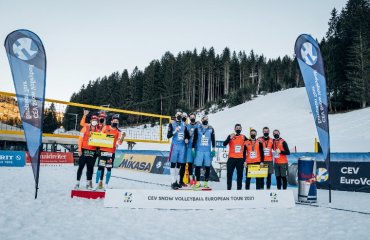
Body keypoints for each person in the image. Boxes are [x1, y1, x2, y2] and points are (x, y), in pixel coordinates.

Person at [95, 114, 125, 190]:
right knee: (100, 168)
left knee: (109, 169)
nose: (115, 122)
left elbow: (119, 143)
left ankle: (106, 185)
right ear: (111, 121)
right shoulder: (106, 127)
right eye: (114, 121)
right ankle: (96, 184)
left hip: (111, 153)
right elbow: (100, 137)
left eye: (117, 121)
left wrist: (122, 137)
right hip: (103, 151)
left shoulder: (118, 132)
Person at [75, 115, 100, 190]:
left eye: (96, 120)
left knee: (90, 168)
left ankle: (88, 184)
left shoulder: (98, 131)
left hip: (92, 151)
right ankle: (77, 183)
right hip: (84, 149)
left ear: (97, 122)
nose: (94, 121)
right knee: (81, 166)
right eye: (93, 120)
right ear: (91, 121)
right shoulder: (85, 128)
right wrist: (79, 149)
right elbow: (80, 139)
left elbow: (100, 141)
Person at [167, 110, 190, 189]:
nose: (179, 115)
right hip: (175, 146)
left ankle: (176, 181)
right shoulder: (172, 124)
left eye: (181, 114)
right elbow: (168, 136)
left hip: (182, 147)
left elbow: (187, 135)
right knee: (173, 163)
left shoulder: (184, 125)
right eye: (178, 114)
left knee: (179, 164)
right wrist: (174, 131)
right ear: (175, 115)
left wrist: (187, 139)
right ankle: (173, 182)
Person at [192, 115, 215, 189]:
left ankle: (206, 183)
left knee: (207, 167)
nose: (206, 120)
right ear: (202, 120)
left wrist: (213, 149)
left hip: (207, 151)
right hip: (199, 150)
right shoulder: (197, 128)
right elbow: (194, 139)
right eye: (204, 119)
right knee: (198, 166)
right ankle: (198, 182)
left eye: (207, 119)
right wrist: (193, 148)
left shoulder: (211, 129)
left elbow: (213, 139)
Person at [223, 124, 247, 190]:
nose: (238, 129)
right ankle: (229, 188)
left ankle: (239, 189)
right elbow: (224, 144)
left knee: (240, 175)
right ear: (234, 129)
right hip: (231, 158)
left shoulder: (243, 137)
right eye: (237, 128)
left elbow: (249, 144)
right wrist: (229, 138)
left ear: (241, 129)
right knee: (229, 174)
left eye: (239, 128)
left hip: (240, 159)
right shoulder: (231, 136)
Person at [185, 112, 198, 187]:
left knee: (196, 164)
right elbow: (186, 135)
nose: (192, 118)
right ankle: (191, 181)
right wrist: (186, 139)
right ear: (189, 118)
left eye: (193, 117)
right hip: (189, 147)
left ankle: (196, 180)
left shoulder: (198, 125)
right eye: (191, 117)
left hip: (197, 148)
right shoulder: (187, 126)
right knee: (190, 164)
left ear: (195, 117)